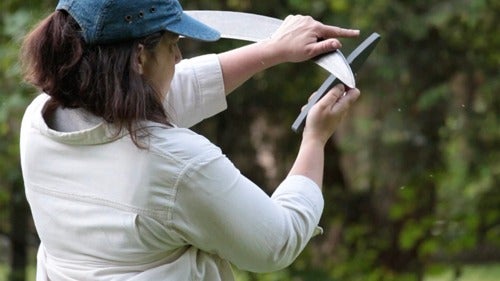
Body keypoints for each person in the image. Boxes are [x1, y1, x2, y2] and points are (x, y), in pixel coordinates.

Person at [19, 0, 361, 280]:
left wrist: (271, 50)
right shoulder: (174, 164)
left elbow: (171, 90)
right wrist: (315, 139)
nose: (179, 58)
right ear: (139, 57)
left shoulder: (38, 124)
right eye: (172, 45)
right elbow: (276, 242)